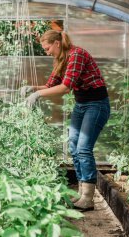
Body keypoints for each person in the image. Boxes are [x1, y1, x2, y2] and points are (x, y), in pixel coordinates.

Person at [20, 30, 110, 211]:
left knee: (84, 148)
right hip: (81, 104)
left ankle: (87, 198)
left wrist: (38, 94)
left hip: (96, 104)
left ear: (57, 43)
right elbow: (50, 86)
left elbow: (65, 87)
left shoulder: (77, 54)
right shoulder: (60, 60)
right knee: (73, 146)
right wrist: (33, 88)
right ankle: (82, 191)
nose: (46, 52)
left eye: (47, 48)